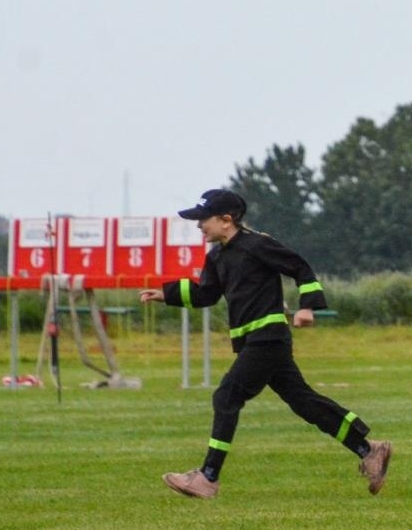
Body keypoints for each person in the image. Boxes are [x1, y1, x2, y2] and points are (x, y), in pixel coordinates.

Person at [139, 189, 391, 499]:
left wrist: (308, 306)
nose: (199, 225)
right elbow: (206, 294)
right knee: (303, 402)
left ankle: (208, 477)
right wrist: (166, 294)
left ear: (226, 220)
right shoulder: (217, 256)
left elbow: (300, 267)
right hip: (252, 342)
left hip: (268, 339)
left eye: (203, 220)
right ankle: (369, 449)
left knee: (227, 396)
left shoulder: (257, 245)